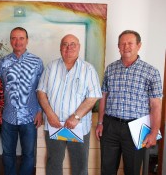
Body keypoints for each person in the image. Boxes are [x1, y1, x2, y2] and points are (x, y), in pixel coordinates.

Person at [95, 30, 163, 175]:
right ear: (118, 47)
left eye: (130, 43)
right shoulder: (110, 69)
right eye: (122, 44)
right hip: (110, 127)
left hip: (136, 128)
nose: (126, 46)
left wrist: (154, 131)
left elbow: (156, 105)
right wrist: (100, 122)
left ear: (139, 46)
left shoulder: (151, 72)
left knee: (132, 170)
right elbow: (104, 97)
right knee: (106, 169)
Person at [37, 34, 102, 175]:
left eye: (73, 44)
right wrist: (49, 114)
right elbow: (41, 92)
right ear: (60, 48)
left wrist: (76, 117)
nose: (69, 47)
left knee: (80, 165)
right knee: (53, 163)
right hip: (54, 125)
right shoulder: (51, 67)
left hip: (78, 126)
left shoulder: (88, 69)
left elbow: (94, 96)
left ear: (79, 47)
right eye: (65, 44)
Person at [0, 27, 44, 175]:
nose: (17, 42)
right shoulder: (2, 62)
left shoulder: (37, 62)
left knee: (28, 154)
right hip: (7, 116)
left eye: (21, 38)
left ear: (27, 40)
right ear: (10, 40)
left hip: (30, 117)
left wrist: (40, 111)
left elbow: (42, 89)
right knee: (8, 153)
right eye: (14, 38)